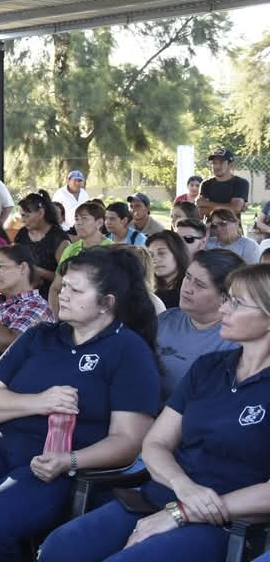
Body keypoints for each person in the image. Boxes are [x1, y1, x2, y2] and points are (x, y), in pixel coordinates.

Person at [0, 246, 161, 562]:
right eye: (64, 286)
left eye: (76, 290)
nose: (62, 295)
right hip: (0, 444)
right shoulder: (42, 337)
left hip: (61, 465)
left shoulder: (128, 352)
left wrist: (69, 460)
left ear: (107, 303)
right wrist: (39, 402)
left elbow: (128, 441)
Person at [37, 263, 270, 562]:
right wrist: (182, 488)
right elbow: (155, 443)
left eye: (236, 303)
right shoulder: (209, 367)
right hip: (162, 495)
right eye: (226, 298)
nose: (223, 309)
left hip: (228, 521)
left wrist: (184, 512)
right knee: (60, 547)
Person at [155, 248, 244, 398]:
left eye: (200, 285)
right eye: (187, 277)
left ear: (225, 297)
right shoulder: (165, 319)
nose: (187, 289)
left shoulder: (234, 342)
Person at [49, 201, 112, 313]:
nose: (78, 223)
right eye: (76, 219)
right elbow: (55, 288)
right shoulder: (70, 250)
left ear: (99, 222)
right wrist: (55, 318)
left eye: (84, 218)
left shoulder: (112, 249)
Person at [14, 191, 70, 297]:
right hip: (24, 288)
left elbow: (66, 279)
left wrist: (37, 271)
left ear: (40, 213)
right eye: (21, 216)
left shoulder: (58, 239)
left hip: (51, 293)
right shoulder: (22, 233)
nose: (23, 220)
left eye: (26, 216)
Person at [196, 148, 248, 218]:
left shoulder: (240, 183)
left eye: (221, 162)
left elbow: (235, 208)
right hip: (210, 227)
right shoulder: (206, 184)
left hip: (232, 227)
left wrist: (206, 203)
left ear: (231, 165)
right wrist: (229, 207)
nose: (217, 166)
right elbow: (200, 210)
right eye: (214, 163)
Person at [146, 230, 189, 310]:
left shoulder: (189, 291)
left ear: (178, 254)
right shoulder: (148, 289)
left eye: (161, 253)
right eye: (151, 255)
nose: (155, 259)